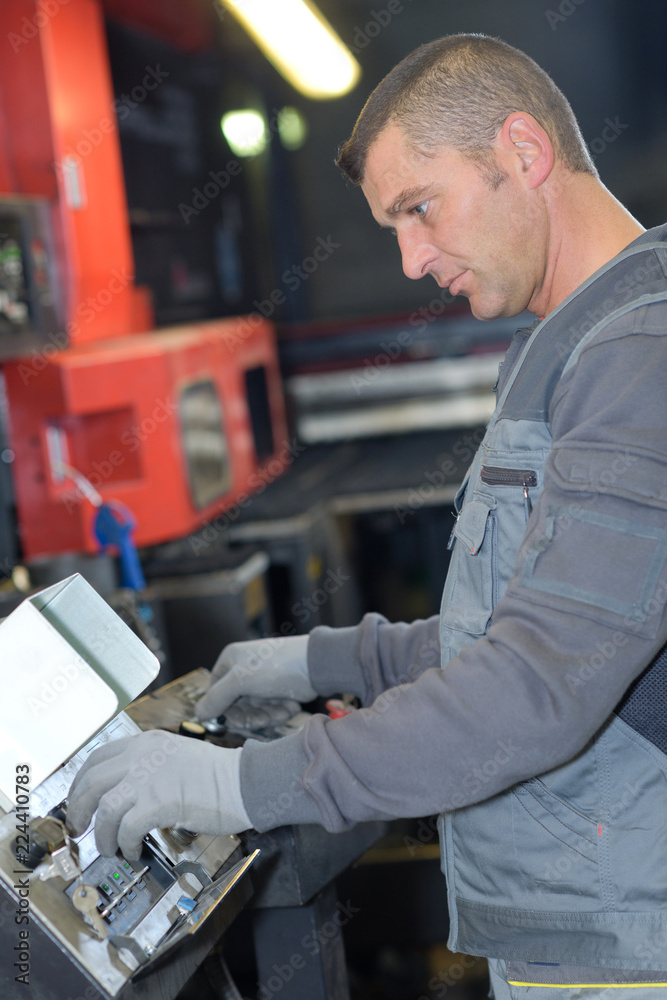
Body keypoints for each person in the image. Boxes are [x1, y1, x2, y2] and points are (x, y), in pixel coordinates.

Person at [68, 34, 667, 997]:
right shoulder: (565, 349)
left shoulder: (640, 358)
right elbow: (521, 633)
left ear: (523, 150)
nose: (412, 259)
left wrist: (238, 785)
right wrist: (331, 658)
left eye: (417, 210)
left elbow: (532, 688)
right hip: (576, 927)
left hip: (628, 946)